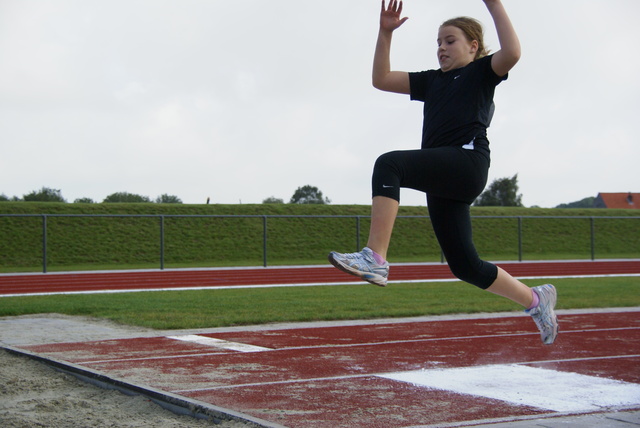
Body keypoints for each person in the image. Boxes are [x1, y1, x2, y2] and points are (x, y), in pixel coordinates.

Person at [328, 0, 559, 345]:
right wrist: (385, 32)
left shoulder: (482, 72)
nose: (441, 48)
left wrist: (493, 4)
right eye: (438, 42)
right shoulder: (433, 82)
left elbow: (512, 52)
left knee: (389, 163)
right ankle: (537, 301)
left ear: (473, 46)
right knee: (465, 265)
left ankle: (374, 258)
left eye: (449, 41)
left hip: (467, 163)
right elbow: (381, 79)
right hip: (445, 177)